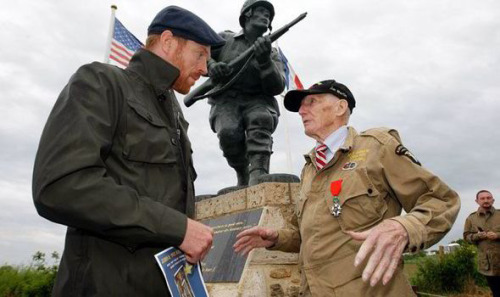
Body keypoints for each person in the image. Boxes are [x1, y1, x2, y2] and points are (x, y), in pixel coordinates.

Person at [32, 6, 224, 296]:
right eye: (200, 55)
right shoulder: (102, 83)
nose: (205, 69)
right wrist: (177, 227)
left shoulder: (175, 114)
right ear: (168, 41)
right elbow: (60, 185)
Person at [234, 79, 460, 296]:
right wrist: (276, 238)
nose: (302, 111)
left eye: (311, 102)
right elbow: (313, 236)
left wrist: (403, 228)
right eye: (301, 107)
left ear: (340, 107)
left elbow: (441, 200)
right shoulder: (310, 168)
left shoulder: (376, 148)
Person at [207, 0, 285, 186]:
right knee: (228, 133)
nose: (266, 15)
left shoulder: (271, 52)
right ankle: (242, 171)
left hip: (259, 100)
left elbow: (277, 86)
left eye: (269, 14)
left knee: (260, 117)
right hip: (227, 100)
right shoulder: (225, 39)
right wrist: (212, 66)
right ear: (247, 14)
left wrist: (265, 61)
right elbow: (202, 53)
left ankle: (258, 172)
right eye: (261, 10)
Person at [464, 190, 500, 297]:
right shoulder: (471, 218)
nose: (486, 200)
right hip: (488, 264)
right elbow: (466, 237)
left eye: (488, 198)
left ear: (493, 200)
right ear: (477, 201)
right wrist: (478, 236)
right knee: (497, 292)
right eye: (482, 198)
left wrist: (497, 235)